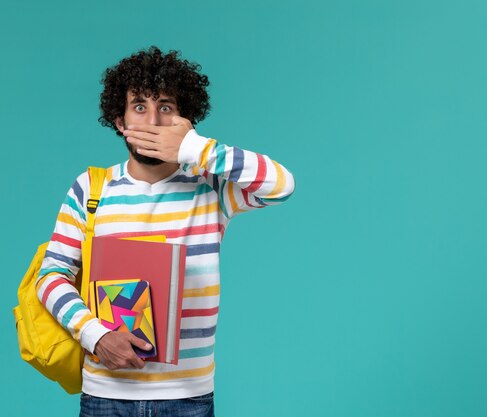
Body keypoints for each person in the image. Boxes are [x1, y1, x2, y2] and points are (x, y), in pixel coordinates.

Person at [36, 46, 295, 417]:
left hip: (188, 396)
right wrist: (96, 335)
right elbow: (51, 277)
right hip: (105, 394)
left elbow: (281, 185)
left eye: (166, 108)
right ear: (119, 121)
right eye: (139, 107)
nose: (154, 121)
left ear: (184, 120)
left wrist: (193, 148)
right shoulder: (90, 190)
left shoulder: (210, 187)